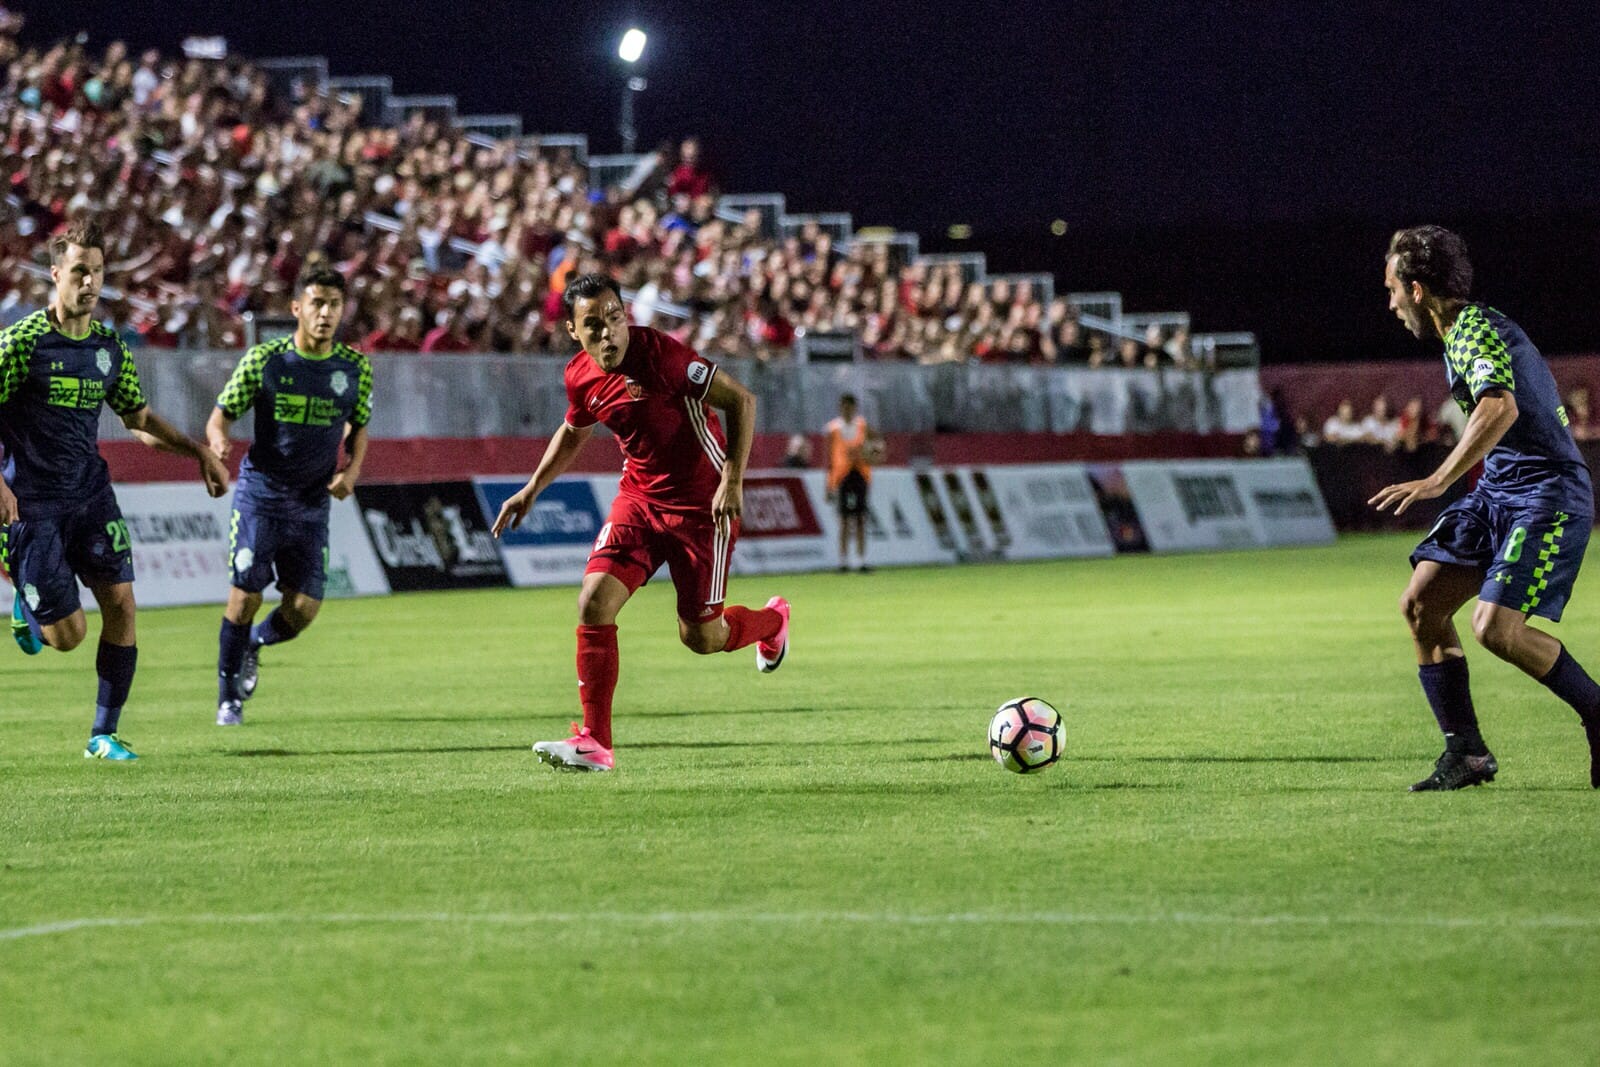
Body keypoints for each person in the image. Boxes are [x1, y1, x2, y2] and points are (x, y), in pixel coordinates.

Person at [491, 273, 789, 772]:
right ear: (572, 332)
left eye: (615, 317)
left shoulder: (661, 357)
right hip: (639, 498)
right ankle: (595, 743)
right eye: (594, 325)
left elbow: (741, 401)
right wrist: (531, 489)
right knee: (593, 601)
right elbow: (573, 430)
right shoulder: (579, 376)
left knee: (700, 637)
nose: (609, 332)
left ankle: (774, 622)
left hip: (701, 504)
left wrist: (732, 481)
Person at [1371, 225, 1599, 790]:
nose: (1392, 302)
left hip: (1547, 494)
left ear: (1418, 290)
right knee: (1422, 606)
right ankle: (1467, 754)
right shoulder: (1463, 334)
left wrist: (1436, 479)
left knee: (1495, 628)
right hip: (1500, 491)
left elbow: (1500, 408)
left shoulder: (1474, 329)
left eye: (1393, 288)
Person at [0, 219, 230, 761]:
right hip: (30, 504)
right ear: (55, 275)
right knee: (68, 636)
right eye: (79, 271)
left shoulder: (108, 348)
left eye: (97, 272)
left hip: (89, 494)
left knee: (123, 605)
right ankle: (27, 606)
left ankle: (102, 734)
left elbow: (139, 418)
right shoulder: (21, 344)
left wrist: (198, 451)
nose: (89, 283)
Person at [206, 268, 372, 726]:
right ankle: (228, 698)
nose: (325, 313)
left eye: (334, 305)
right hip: (261, 495)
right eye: (316, 303)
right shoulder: (265, 360)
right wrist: (219, 442)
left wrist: (351, 471)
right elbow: (219, 417)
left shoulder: (354, 368)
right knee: (243, 597)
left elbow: (359, 428)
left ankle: (255, 644)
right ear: (297, 308)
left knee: (303, 610)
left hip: (312, 502)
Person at [825, 393, 873, 572]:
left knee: (860, 518)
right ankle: (843, 561)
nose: (847, 410)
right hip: (842, 477)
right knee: (844, 519)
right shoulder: (833, 428)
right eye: (845, 406)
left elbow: (872, 447)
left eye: (850, 406)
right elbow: (829, 459)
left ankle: (861, 560)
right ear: (840, 407)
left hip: (860, 475)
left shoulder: (862, 426)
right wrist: (828, 485)